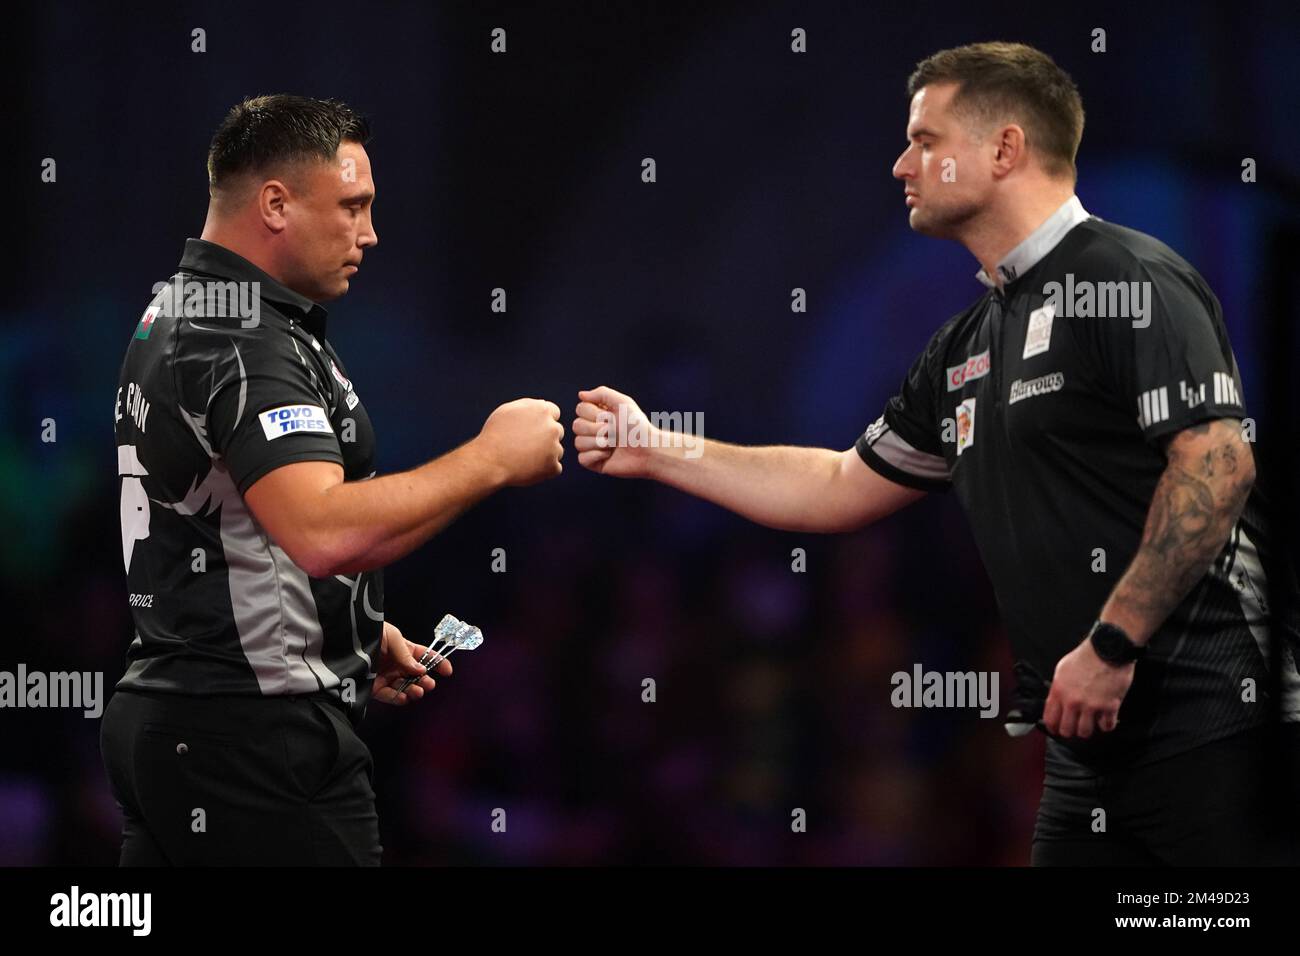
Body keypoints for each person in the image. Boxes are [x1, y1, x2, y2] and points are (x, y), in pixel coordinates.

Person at [573, 42, 1300, 865]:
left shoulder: (1133, 280)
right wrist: (659, 447)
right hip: (1084, 741)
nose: (898, 165)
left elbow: (1218, 464)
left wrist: (1112, 646)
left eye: (925, 141)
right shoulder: (964, 347)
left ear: (1004, 150)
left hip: (1205, 728)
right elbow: (840, 483)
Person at [104, 94, 565, 865]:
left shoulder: (184, 309)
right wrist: (490, 457)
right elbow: (321, 531)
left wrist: (345, 627)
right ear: (276, 204)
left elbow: (235, 521)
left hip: (181, 725)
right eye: (353, 207)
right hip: (256, 747)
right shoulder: (243, 336)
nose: (370, 233)